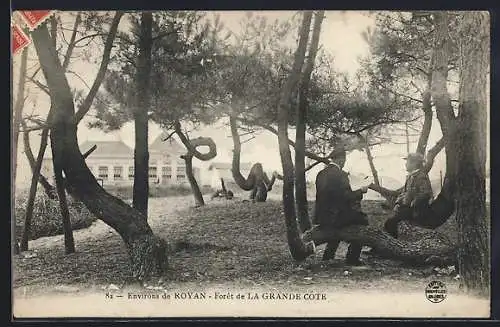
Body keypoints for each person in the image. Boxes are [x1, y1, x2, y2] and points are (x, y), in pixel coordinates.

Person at [313, 145, 369, 265]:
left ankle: (328, 256)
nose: (344, 162)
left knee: (339, 227)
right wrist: (361, 191)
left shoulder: (320, 173)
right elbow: (345, 197)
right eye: (344, 160)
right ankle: (352, 258)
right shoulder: (340, 175)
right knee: (363, 221)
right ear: (341, 159)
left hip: (322, 218)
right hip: (336, 217)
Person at [371, 152, 434, 239]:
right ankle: (387, 244)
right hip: (408, 208)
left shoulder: (421, 176)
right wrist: (398, 203)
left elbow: (426, 193)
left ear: (414, 163)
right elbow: (403, 193)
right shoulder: (410, 177)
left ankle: (390, 245)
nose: (406, 164)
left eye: (407, 162)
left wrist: (413, 203)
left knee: (390, 222)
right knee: (389, 221)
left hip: (416, 210)